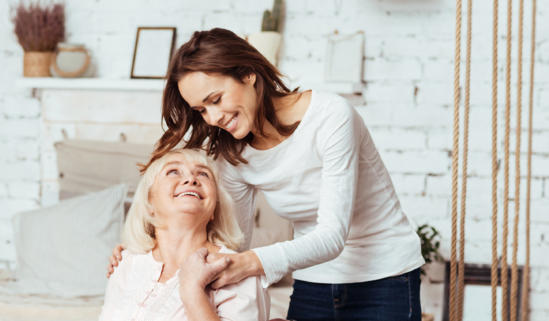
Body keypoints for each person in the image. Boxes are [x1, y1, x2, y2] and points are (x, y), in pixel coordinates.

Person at [107, 28, 425, 320]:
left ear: (248, 74)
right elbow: (233, 241)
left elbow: (332, 237)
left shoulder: (331, 117)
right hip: (314, 278)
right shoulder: (233, 154)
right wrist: (142, 257)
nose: (214, 117)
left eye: (215, 99)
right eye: (202, 110)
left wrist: (247, 263)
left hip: (385, 275)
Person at [99, 148, 269, 321]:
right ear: (149, 202)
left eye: (203, 174)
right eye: (173, 171)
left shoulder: (237, 270)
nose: (191, 179)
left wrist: (192, 290)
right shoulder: (124, 262)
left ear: (214, 209)